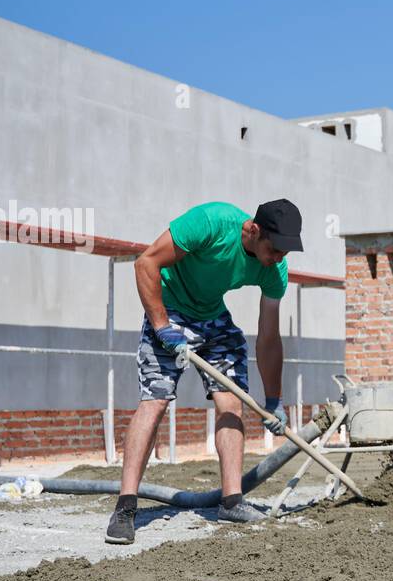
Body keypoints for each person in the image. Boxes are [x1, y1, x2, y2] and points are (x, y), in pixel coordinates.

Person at [104, 199, 301, 544]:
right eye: (275, 249)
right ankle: (125, 507)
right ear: (253, 230)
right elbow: (145, 263)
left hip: (213, 319)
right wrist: (162, 326)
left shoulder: (274, 270)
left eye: (286, 252)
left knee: (232, 402)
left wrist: (273, 399)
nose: (279, 258)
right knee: (156, 401)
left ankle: (231, 501)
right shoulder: (211, 222)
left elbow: (269, 337)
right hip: (170, 309)